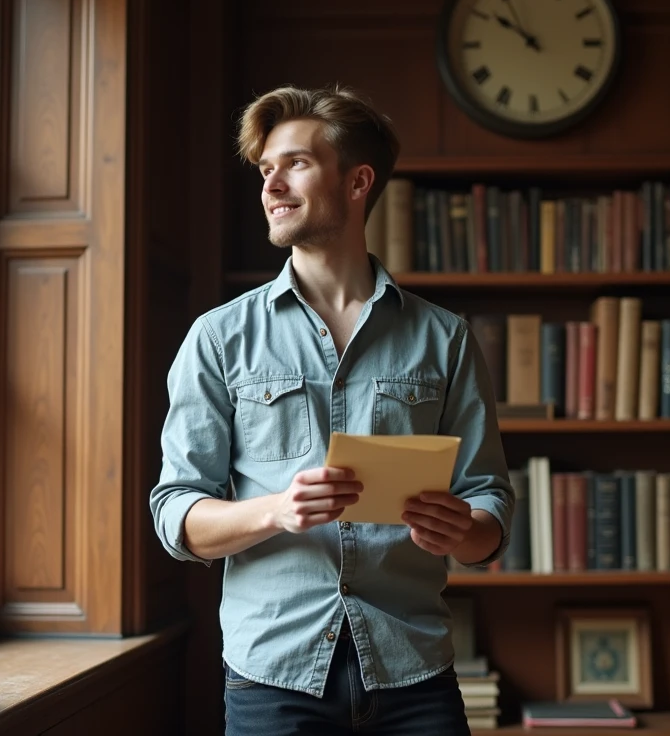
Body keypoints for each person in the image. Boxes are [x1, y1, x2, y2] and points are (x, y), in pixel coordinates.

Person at [149, 83, 514, 736]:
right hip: (274, 679)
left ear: (357, 182)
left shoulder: (445, 338)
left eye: (296, 163)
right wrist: (276, 510)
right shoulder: (218, 338)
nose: (272, 185)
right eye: (266, 170)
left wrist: (462, 529)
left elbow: (489, 506)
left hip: (415, 677)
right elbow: (176, 514)